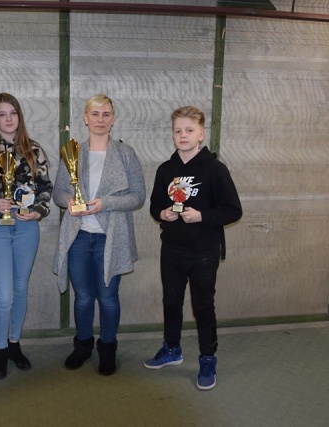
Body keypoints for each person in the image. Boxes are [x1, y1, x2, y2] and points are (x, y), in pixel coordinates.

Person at [144, 106, 242, 390]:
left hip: (203, 252)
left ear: (201, 134)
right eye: (177, 130)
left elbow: (233, 210)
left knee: (203, 306)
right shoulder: (166, 170)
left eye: (189, 130)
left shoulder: (215, 169)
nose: (183, 135)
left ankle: (208, 358)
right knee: (171, 302)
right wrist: (162, 214)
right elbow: (154, 205)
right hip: (172, 249)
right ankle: (172, 349)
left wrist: (202, 216)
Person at [53, 94, 146, 375]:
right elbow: (58, 192)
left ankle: (107, 349)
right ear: (85, 118)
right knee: (82, 297)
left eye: (106, 114)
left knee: (107, 297)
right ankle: (83, 346)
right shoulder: (73, 151)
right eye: (95, 114)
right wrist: (69, 201)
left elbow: (138, 196)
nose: (100, 119)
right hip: (78, 237)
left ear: (113, 118)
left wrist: (107, 203)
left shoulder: (126, 153)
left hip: (111, 237)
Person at [0, 93, 53, 379]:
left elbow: (45, 187)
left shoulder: (34, 150)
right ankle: (0, 349)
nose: (9, 119)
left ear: (20, 116)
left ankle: (14, 343)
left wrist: (38, 211)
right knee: (4, 294)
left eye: (13, 113)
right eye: (2, 114)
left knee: (20, 289)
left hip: (26, 227)